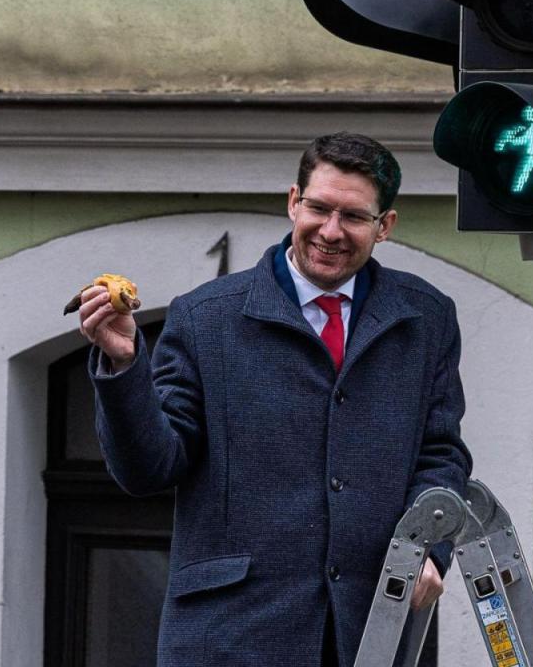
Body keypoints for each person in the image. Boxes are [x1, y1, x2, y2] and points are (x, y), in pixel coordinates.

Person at [76, 132, 473, 667]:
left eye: (354, 217)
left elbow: (440, 452)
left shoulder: (426, 317)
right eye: (318, 208)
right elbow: (149, 468)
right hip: (231, 636)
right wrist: (125, 367)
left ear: (385, 227)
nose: (331, 232)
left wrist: (430, 545)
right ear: (293, 201)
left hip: (375, 628)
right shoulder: (205, 317)